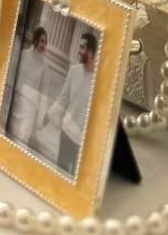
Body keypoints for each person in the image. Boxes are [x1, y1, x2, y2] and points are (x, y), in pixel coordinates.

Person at [42, 30, 99, 179]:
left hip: (82, 143)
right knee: (59, 175)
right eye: (79, 46)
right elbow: (63, 99)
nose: (78, 50)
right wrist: (49, 114)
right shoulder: (74, 71)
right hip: (66, 133)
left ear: (91, 51)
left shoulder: (99, 81)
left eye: (82, 47)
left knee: (76, 179)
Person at [6, 23, 58, 152]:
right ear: (35, 40)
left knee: (22, 140)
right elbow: (15, 75)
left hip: (30, 109)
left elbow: (44, 93)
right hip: (17, 103)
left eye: (45, 42)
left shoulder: (45, 66)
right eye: (41, 41)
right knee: (10, 138)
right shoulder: (24, 55)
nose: (43, 45)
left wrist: (40, 118)